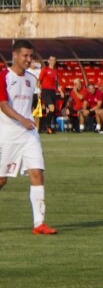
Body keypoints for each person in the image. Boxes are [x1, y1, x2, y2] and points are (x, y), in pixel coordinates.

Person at [0, 41, 57, 234]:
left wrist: (28, 121)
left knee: (37, 173)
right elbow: (3, 104)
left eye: (31, 56)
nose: (28, 59)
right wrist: (22, 119)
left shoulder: (32, 79)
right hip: (7, 135)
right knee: (2, 180)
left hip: (29, 135)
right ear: (14, 55)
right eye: (25, 56)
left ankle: (39, 224)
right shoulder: (4, 77)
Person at [38, 56, 59, 134]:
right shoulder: (45, 69)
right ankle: (47, 126)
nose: (52, 61)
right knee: (52, 108)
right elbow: (39, 80)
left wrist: (59, 90)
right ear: (48, 61)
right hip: (45, 91)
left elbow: (56, 82)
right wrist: (39, 91)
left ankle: (47, 128)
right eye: (51, 60)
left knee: (49, 110)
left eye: (54, 60)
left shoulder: (56, 70)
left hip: (53, 92)